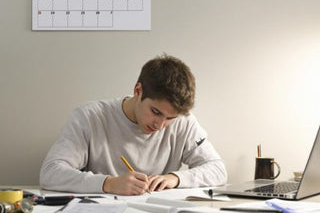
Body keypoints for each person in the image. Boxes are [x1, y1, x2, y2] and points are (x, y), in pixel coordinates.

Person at [40, 54, 227, 195]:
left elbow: (218, 170)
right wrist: (108, 183)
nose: (160, 125)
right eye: (156, 112)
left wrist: (176, 178)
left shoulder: (184, 123)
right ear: (138, 90)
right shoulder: (90, 117)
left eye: (170, 118)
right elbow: (50, 173)